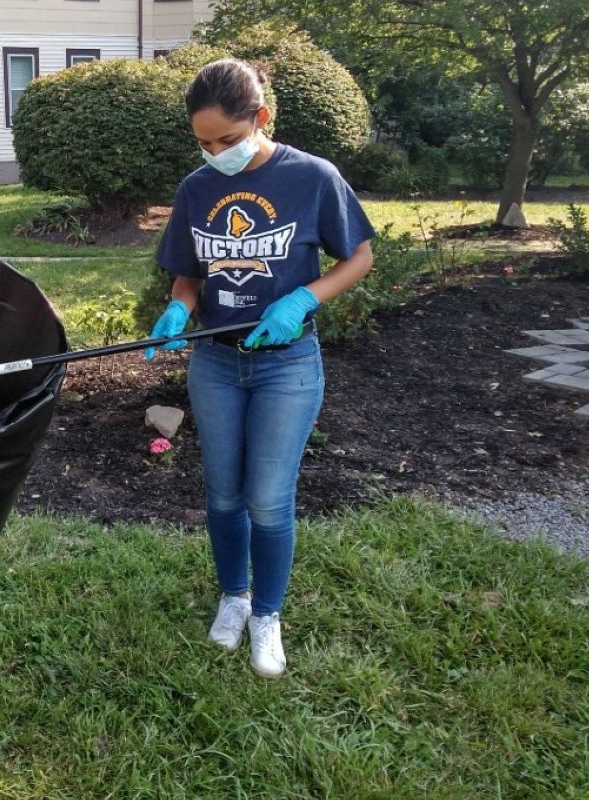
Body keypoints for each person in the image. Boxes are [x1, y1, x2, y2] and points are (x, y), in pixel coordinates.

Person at [146, 59, 375, 678]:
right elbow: (190, 273)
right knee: (223, 495)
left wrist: (305, 298)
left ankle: (267, 614)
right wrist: (177, 306)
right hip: (216, 363)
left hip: (287, 365)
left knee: (269, 500)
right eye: (203, 141)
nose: (215, 151)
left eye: (226, 138)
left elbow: (358, 256)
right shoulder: (197, 187)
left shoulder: (312, 177)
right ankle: (234, 597)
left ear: (261, 118)